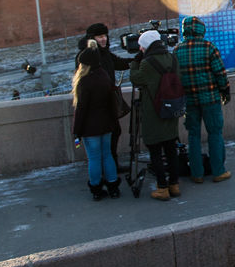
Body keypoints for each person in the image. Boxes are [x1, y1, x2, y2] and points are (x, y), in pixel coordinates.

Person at [174, 16, 232, 184]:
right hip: (210, 99)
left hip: (189, 101)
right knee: (215, 133)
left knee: (193, 135)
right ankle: (218, 171)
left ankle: (197, 173)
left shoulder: (178, 50)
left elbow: (175, 78)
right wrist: (225, 92)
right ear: (201, 30)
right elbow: (220, 74)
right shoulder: (208, 47)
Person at [129, 30, 182, 200]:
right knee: (171, 149)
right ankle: (174, 185)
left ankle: (162, 188)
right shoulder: (172, 58)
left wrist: (134, 64)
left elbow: (136, 79)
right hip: (171, 108)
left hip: (154, 112)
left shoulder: (147, 63)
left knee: (155, 151)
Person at [75, 22, 133, 167]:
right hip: (95, 105)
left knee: (115, 132)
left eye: (105, 36)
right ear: (92, 38)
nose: (103, 39)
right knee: (108, 136)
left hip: (107, 102)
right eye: (99, 37)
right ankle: (108, 168)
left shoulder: (105, 53)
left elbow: (120, 63)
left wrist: (140, 58)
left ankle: (110, 166)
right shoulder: (85, 55)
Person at [72, 40, 122, 200]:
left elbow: (81, 109)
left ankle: (96, 189)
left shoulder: (84, 81)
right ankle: (113, 186)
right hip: (106, 125)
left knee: (94, 158)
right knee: (107, 155)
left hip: (90, 128)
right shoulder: (104, 76)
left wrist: (76, 132)